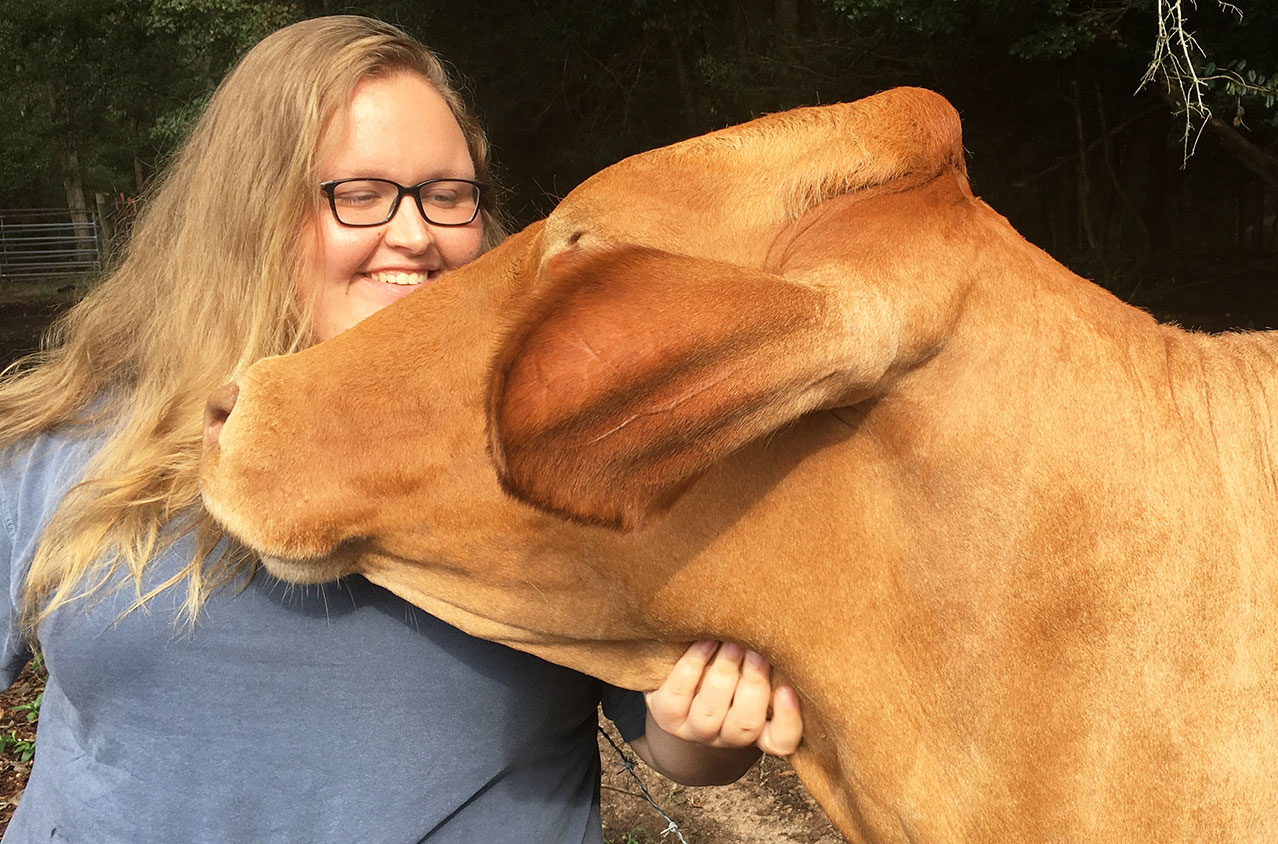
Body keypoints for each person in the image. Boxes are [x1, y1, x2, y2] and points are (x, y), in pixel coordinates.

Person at [0, 16, 800, 843]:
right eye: (361, 193)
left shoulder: (561, 458)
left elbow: (682, 746)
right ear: (251, 214)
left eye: (448, 196)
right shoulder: (63, 446)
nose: (416, 235)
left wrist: (702, 725)